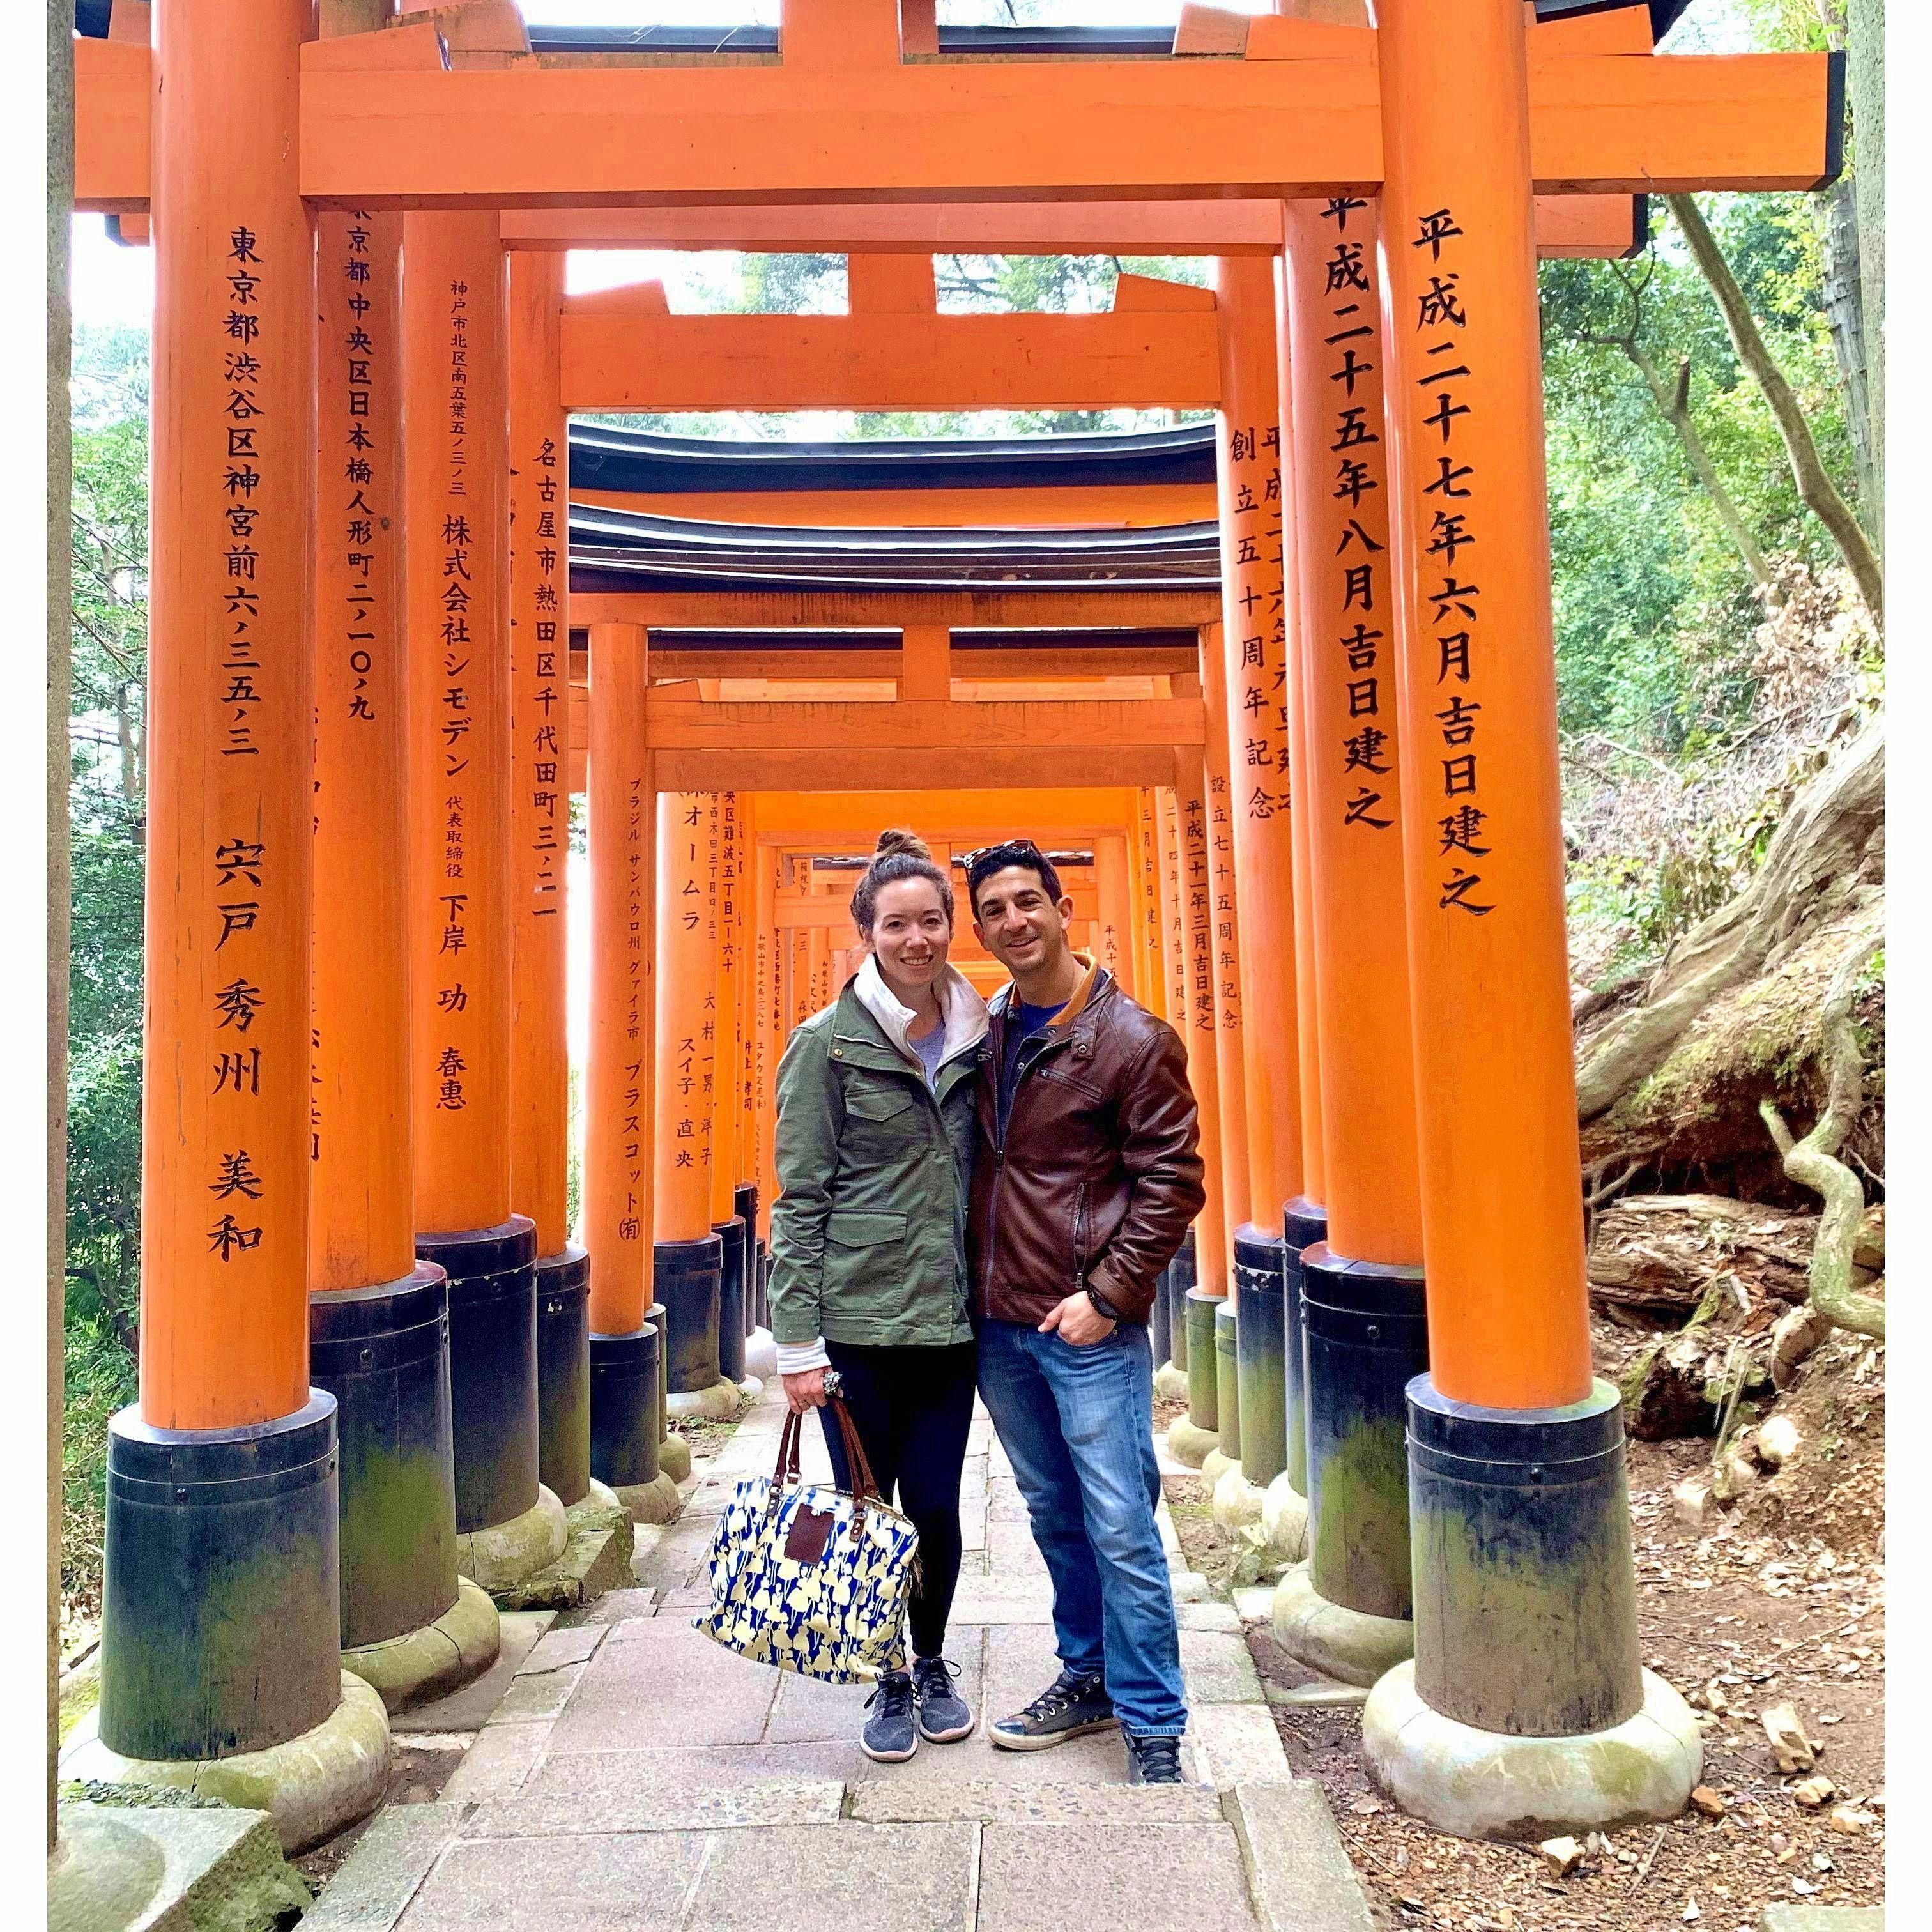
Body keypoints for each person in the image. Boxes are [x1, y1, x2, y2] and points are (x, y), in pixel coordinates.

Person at [963, 838, 1205, 1786]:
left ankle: (1154, 1721)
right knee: (1055, 1513)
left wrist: (1109, 1297)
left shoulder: (1132, 1039)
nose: (1015, 921)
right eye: (995, 911)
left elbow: (1172, 1181)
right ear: (980, 929)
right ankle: (1089, 1673)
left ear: (1065, 910)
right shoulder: (984, 1030)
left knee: (1119, 1520)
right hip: (999, 1324)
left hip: (1085, 1324)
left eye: (1030, 902)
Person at [767, 830, 990, 1764]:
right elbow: (799, 1198)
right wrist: (796, 1345)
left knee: (936, 1509)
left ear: (950, 926)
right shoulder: (824, 1047)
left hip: (951, 1318)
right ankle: (886, 1674)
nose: (916, 938)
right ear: (867, 931)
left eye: (931, 920)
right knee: (868, 1510)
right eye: (896, 923)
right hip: (856, 1326)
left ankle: (931, 1658)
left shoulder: (986, 1033)